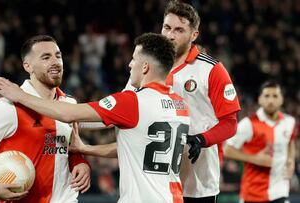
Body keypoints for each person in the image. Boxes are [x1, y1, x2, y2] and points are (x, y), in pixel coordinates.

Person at [0, 33, 190, 203]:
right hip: (173, 197)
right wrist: (86, 150)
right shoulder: (181, 106)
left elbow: (68, 114)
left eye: (134, 59)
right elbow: (137, 147)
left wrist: (20, 96)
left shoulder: (131, 102)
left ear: (145, 67)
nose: (130, 64)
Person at [79, 1, 241, 202]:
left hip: (198, 184)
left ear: (194, 35)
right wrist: (72, 122)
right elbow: (113, 115)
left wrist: (201, 139)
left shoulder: (211, 70)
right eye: (167, 27)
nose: (171, 35)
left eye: (179, 30)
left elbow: (230, 123)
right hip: (154, 183)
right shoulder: (145, 67)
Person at [0, 35, 91, 202]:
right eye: (46, 57)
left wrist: (79, 161)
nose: (55, 62)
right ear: (27, 66)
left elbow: (66, 146)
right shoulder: (9, 107)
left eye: (58, 56)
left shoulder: (68, 103)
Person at [224, 80, 297, 203]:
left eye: (275, 96)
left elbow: (290, 141)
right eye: (267, 96)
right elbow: (227, 150)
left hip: (280, 191)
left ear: (282, 99)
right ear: (260, 99)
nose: (271, 100)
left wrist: (291, 160)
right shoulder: (248, 124)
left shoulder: (289, 122)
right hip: (253, 194)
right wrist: (254, 159)